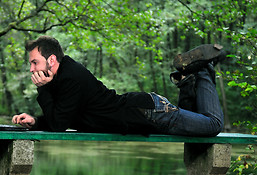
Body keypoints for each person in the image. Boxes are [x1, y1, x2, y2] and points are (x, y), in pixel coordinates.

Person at [12, 36, 225, 137]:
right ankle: (187, 78)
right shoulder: (61, 77)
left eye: (34, 62)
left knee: (213, 125)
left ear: (51, 60)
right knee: (197, 120)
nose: (31, 69)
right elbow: (63, 117)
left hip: (151, 113)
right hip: (146, 111)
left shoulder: (70, 77)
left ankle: (204, 69)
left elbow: (59, 125)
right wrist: (35, 121)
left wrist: (42, 89)